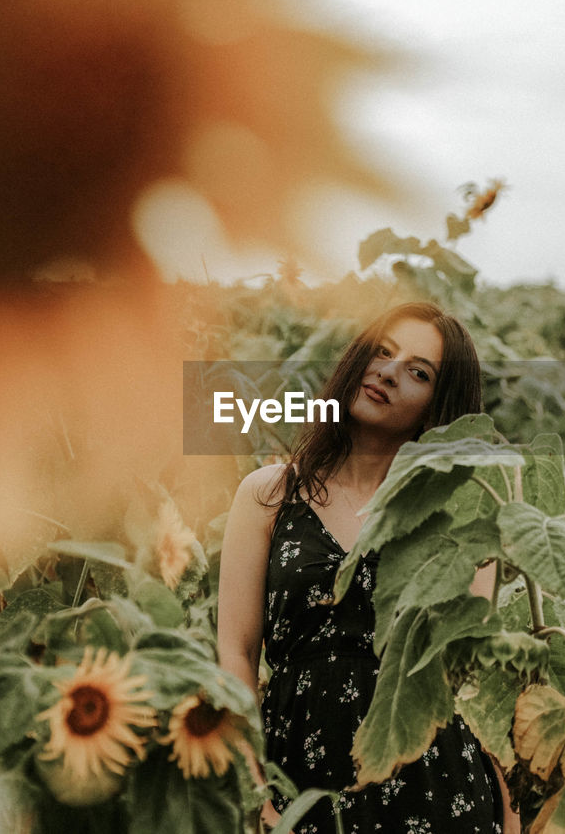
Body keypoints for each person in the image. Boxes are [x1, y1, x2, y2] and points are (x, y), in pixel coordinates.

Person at [218, 302, 520, 833]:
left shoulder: (458, 511)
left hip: (435, 782)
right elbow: (236, 652)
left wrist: (512, 816)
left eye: (418, 371)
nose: (388, 372)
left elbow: (471, 677)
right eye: (383, 351)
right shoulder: (268, 495)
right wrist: (250, 787)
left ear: (436, 407)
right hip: (299, 779)